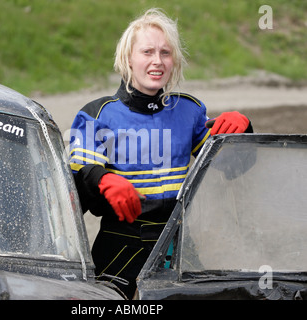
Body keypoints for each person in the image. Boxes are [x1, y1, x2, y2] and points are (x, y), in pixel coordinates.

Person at [68, 8, 253, 299]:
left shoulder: (189, 111)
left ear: (174, 60)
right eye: (147, 52)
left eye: (165, 53)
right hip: (121, 247)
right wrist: (102, 179)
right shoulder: (97, 114)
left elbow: (235, 167)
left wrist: (242, 132)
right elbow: (76, 175)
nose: (157, 61)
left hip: (177, 246)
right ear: (128, 59)